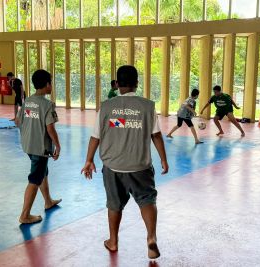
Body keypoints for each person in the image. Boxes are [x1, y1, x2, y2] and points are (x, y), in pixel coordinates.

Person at [81, 65, 168, 259]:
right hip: (140, 166)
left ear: (117, 84)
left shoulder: (106, 106)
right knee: (147, 200)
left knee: (114, 204)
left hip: (113, 166)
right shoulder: (147, 106)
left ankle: (113, 241)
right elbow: (156, 135)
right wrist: (163, 158)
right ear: (137, 83)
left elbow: (96, 136)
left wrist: (88, 160)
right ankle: (151, 237)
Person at [16, 69, 62, 224]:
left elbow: (18, 121)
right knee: (35, 178)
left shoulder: (27, 100)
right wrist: (58, 146)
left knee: (43, 171)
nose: (52, 86)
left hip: (28, 145)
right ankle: (25, 214)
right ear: (47, 84)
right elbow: (50, 128)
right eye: (51, 83)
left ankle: (48, 201)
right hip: (40, 147)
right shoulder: (48, 105)